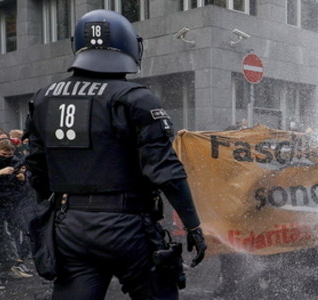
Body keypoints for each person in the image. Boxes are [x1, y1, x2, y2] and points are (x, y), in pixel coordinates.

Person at [24, 10, 207, 299]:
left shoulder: (44, 98)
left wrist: (51, 217)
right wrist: (193, 224)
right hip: (128, 226)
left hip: (69, 225)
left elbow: (36, 170)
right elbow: (167, 172)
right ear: (129, 46)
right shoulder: (135, 98)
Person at [0, 138, 31, 291]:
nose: (6, 157)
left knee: (27, 231)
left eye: (9, 155)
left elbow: (25, 185)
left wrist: (22, 178)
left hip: (11, 203)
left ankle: (16, 263)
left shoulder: (16, 161)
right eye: (3, 154)